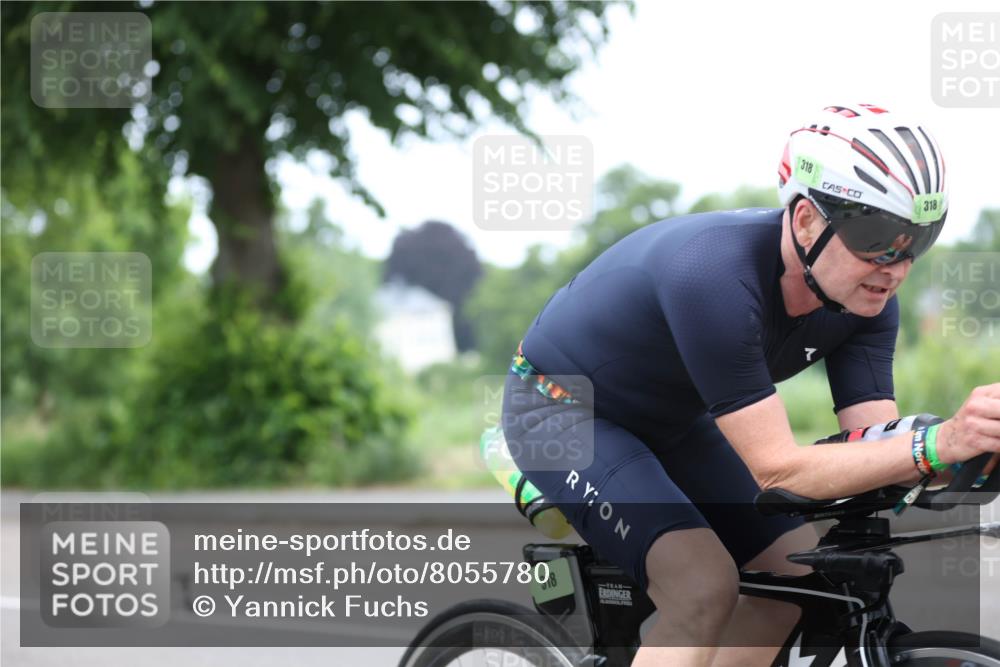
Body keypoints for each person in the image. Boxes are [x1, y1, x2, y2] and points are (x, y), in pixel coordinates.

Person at [499, 104, 1000, 667]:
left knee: (799, 581)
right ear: (806, 220)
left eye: (916, 240)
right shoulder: (715, 277)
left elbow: (876, 447)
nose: (897, 265)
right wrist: (938, 442)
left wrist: (967, 452)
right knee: (701, 587)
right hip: (562, 410)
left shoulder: (868, 298)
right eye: (878, 236)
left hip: (677, 422)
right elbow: (778, 470)